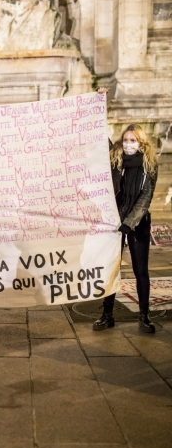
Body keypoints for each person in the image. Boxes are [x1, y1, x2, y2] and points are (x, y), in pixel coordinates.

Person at [93, 111, 158, 333]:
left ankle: (144, 316)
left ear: (141, 143)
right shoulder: (116, 159)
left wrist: (129, 223)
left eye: (133, 141)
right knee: (111, 268)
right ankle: (107, 314)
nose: (129, 144)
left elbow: (145, 197)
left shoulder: (149, 164)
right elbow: (100, 137)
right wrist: (98, 106)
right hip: (115, 223)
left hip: (137, 224)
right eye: (126, 140)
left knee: (141, 271)